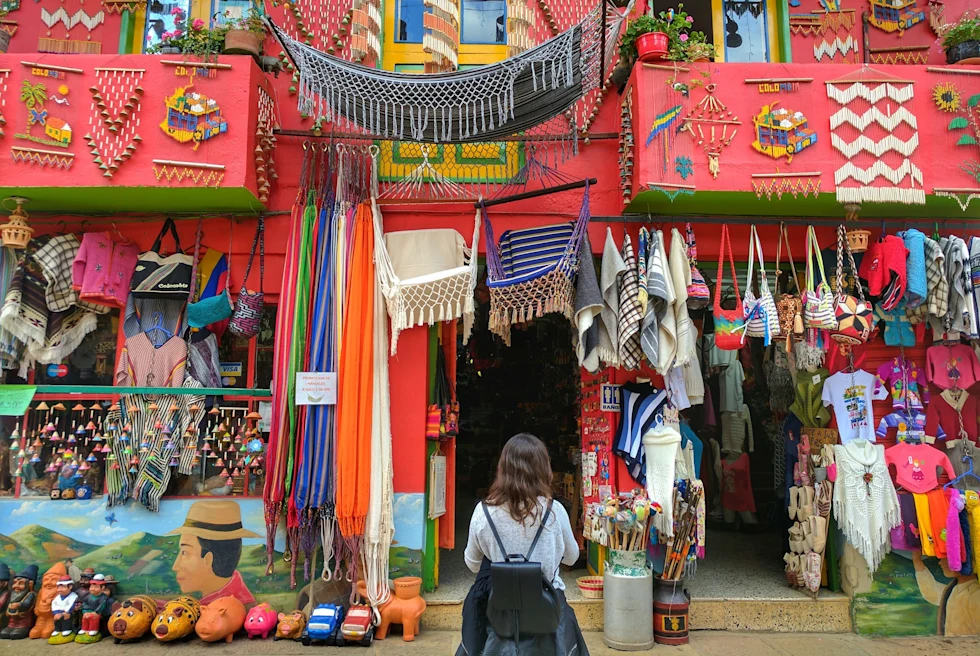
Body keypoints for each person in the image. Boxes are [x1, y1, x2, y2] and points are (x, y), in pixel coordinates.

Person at [458, 433, 587, 656]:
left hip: (500, 612)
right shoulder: (554, 511)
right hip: (549, 610)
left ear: (503, 469)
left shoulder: (483, 512)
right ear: (543, 469)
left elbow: (472, 564)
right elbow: (571, 557)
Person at [167, 500, 259, 606]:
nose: (175, 566)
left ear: (208, 559)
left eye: (185, 553)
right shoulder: (219, 603)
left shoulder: (230, 609)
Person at [912, 550, 980, 635]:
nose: (940, 563)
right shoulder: (952, 589)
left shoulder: (975, 593)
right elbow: (932, 591)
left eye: (946, 558)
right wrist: (917, 561)